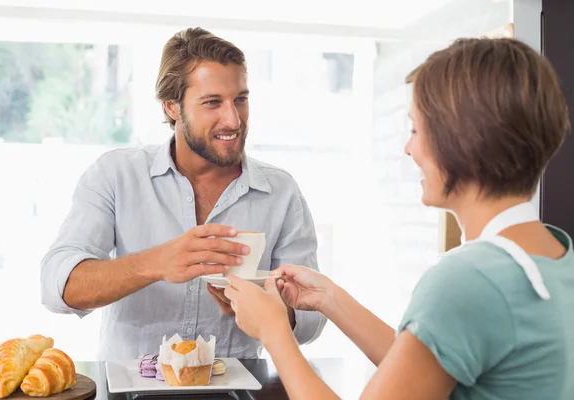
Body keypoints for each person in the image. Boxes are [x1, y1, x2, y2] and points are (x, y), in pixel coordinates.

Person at [225, 37, 574, 399]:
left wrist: (275, 332)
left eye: (415, 130)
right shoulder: (553, 255)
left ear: (461, 140)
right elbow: (423, 367)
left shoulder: (468, 281)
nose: (409, 148)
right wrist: (330, 298)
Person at [40, 27, 326, 361]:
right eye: (212, 103)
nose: (233, 119)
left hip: (236, 391)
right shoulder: (116, 175)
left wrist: (268, 312)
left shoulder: (280, 192)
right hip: (131, 390)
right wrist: (155, 263)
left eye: (241, 100)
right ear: (172, 107)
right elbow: (56, 286)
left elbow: (311, 318)